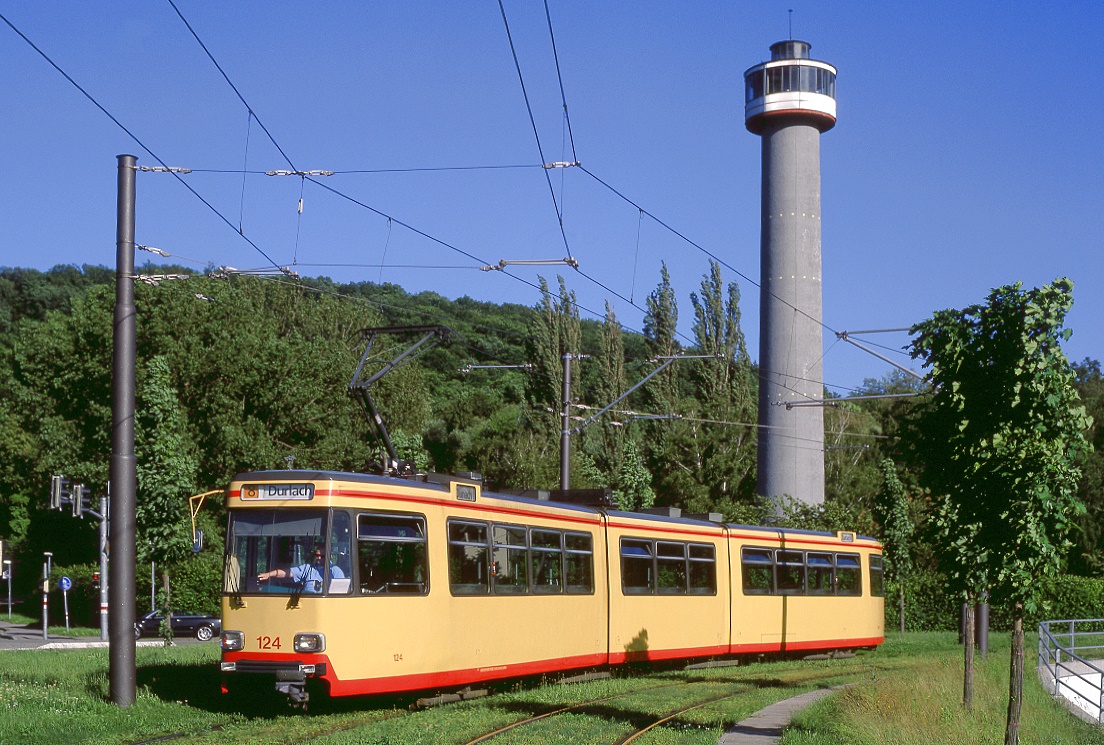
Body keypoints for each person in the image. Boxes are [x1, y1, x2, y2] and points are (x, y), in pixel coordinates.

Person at [257, 549, 345, 593]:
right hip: (306, 601)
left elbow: (340, 592)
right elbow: (288, 573)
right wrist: (269, 574)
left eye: (322, 556)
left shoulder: (336, 571)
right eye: (317, 555)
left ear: (330, 557)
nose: (318, 558)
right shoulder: (308, 568)